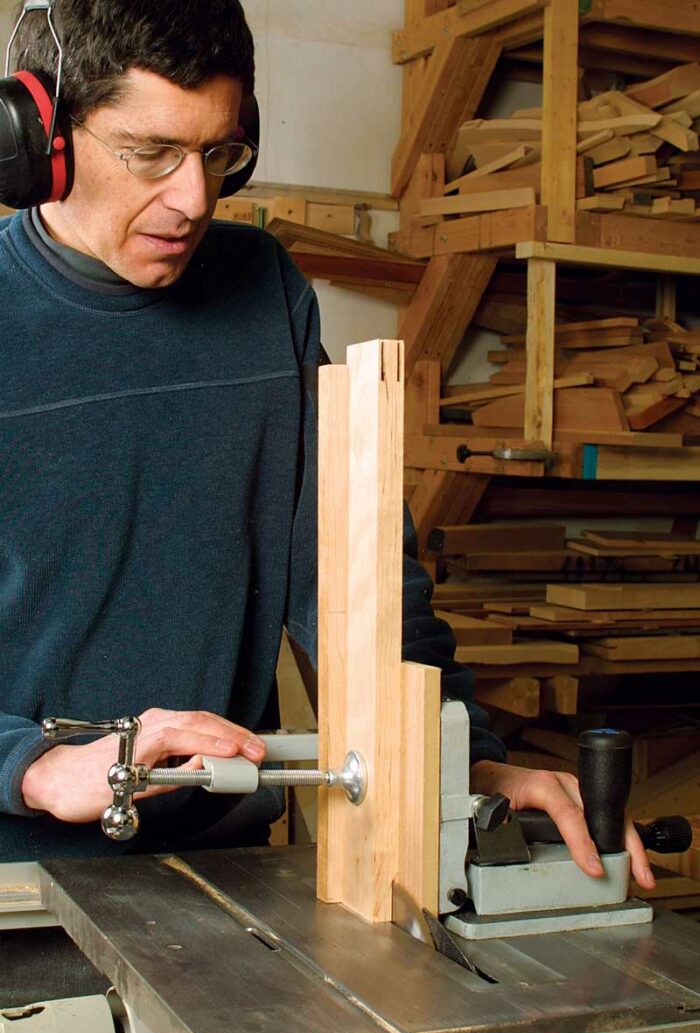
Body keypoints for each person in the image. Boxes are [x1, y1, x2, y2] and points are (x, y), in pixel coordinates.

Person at [0, 0, 654, 890]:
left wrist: (460, 761)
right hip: (21, 881)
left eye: (218, 153)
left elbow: (360, 568)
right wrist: (32, 766)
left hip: (220, 872)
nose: (193, 199)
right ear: (43, 137)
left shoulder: (262, 289)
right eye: (150, 153)